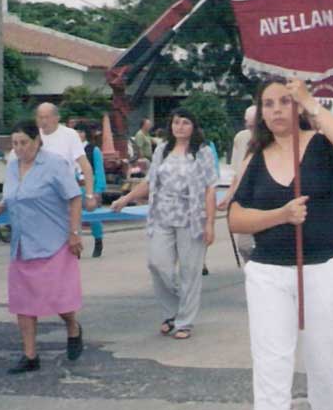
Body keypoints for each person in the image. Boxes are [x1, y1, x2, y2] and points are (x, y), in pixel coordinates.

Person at [228, 78, 333, 410]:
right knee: (271, 370)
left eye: (285, 102)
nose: (277, 110)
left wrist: (310, 101)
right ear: (260, 111)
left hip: (323, 269)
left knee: (324, 362)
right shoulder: (255, 155)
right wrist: (279, 215)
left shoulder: (322, 145)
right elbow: (236, 217)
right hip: (269, 274)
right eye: (269, 103)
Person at [0, 121, 84, 374]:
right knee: (23, 302)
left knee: (57, 299)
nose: (18, 148)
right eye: (14, 143)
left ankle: (72, 327)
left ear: (37, 141)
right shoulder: (11, 166)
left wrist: (74, 233)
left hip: (53, 242)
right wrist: (1, 205)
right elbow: (13, 196)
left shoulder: (53, 164)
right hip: (23, 244)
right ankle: (30, 356)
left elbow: (74, 198)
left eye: (23, 143)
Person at [112, 108, 217, 340]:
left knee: (190, 270)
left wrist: (210, 223)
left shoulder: (203, 152)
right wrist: (125, 199)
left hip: (191, 217)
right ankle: (173, 310)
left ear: (193, 127)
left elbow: (210, 188)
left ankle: (184, 321)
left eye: (185, 123)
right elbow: (150, 182)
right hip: (162, 214)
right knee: (157, 264)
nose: (180, 127)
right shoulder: (162, 150)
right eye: (176, 122)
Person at [32, 104, 100, 252]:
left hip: (66, 196)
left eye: (47, 117)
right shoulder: (33, 136)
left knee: (69, 244)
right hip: (40, 197)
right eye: (40, 117)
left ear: (57, 118)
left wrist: (89, 195)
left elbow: (86, 167)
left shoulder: (69, 135)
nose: (43, 121)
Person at [223, 105, 258, 262]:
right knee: (244, 246)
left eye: (254, 125)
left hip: (263, 200)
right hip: (244, 201)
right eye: (247, 124)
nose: (250, 129)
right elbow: (237, 173)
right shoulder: (241, 138)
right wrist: (229, 195)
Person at [73, 121, 107, 259]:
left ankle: (98, 241)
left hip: (89, 187)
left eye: (81, 132)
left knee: (94, 218)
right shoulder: (70, 150)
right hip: (74, 187)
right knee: (75, 218)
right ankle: (76, 246)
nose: (79, 135)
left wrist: (98, 191)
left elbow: (99, 171)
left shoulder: (93, 150)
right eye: (76, 132)